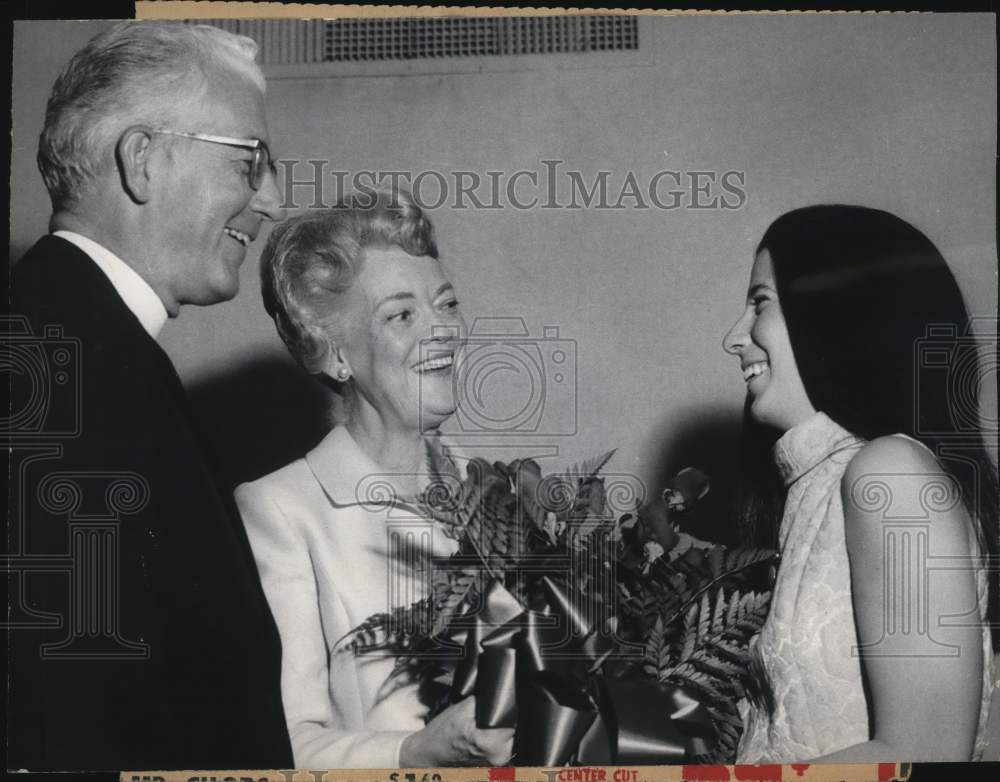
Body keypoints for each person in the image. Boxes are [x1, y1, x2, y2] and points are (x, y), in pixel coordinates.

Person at [9, 22, 292, 769]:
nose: (271, 201)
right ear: (142, 160)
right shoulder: (61, 365)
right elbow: (67, 708)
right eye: (250, 162)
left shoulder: (78, 342)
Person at [235, 189, 514, 768]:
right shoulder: (280, 511)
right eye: (402, 314)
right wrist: (416, 753)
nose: (445, 331)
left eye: (447, 303)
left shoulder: (496, 489)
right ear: (335, 354)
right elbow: (282, 743)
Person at [722, 204, 998, 762]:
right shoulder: (813, 492)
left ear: (837, 313)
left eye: (760, 303)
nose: (734, 337)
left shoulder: (890, 474)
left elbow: (924, 756)